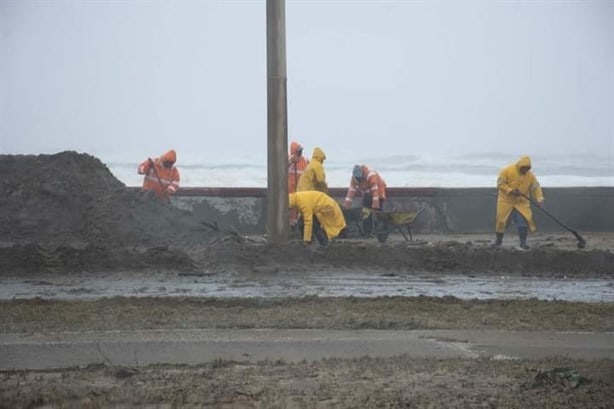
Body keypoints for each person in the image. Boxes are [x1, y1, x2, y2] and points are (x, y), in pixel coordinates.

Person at [495, 155, 544, 249]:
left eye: (527, 168)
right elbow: (500, 184)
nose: (525, 170)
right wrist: (511, 191)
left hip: (521, 202)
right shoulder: (506, 170)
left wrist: (539, 199)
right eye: (523, 168)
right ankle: (498, 241)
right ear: (519, 166)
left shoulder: (530, 175)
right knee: (501, 221)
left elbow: (535, 187)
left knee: (523, 222)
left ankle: (523, 243)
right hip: (506, 201)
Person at [343, 164, 387, 234]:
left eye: (359, 179)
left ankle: (380, 232)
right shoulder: (354, 178)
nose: (358, 180)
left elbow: (375, 191)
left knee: (378, 213)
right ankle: (367, 232)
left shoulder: (371, 175)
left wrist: (375, 206)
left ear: (362, 174)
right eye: (357, 179)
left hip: (379, 191)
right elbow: (351, 192)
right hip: (367, 194)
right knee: (366, 213)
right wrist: (345, 207)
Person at [288, 141, 309, 225]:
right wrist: (290, 162)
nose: (300, 153)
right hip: (291, 193)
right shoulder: (288, 160)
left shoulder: (306, 161)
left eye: (301, 151)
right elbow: (280, 171)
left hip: (302, 193)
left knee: (301, 214)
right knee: (291, 214)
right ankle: (291, 229)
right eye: (298, 151)